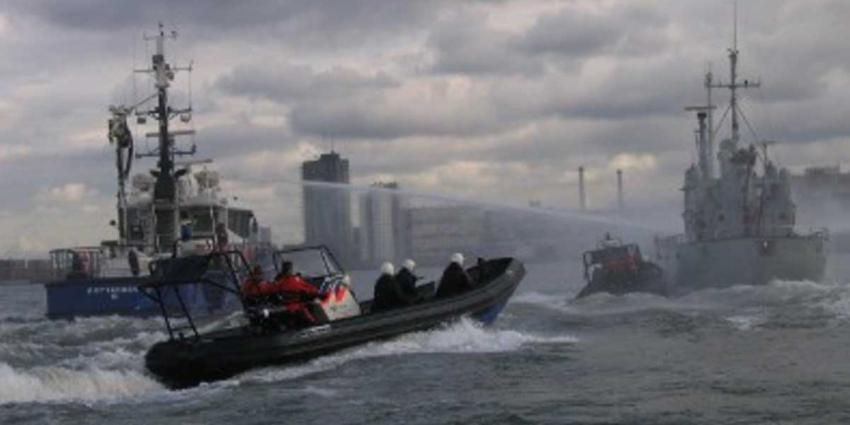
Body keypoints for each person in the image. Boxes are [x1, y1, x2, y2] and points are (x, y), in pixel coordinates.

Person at [274, 261, 322, 327]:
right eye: (289, 269)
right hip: (293, 304)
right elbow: (305, 288)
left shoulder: (279, 280)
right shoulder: (293, 280)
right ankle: (313, 322)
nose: (290, 271)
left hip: (286, 303)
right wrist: (315, 291)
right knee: (310, 304)